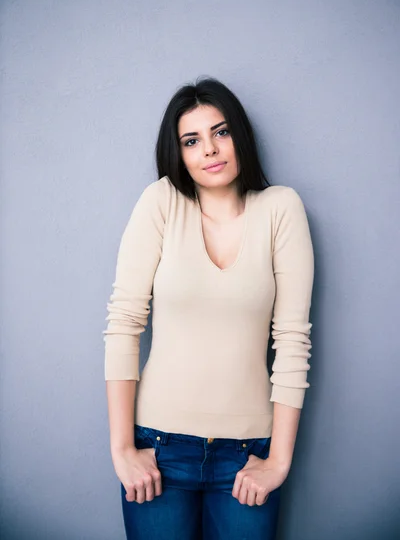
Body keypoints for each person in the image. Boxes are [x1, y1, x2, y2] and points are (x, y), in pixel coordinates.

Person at [103, 76, 315, 540]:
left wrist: (278, 460)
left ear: (239, 135)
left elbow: (293, 339)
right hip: (158, 450)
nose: (210, 150)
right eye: (192, 140)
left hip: (247, 456)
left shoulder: (281, 209)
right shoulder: (161, 202)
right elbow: (124, 324)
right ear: (178, 153)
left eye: (221, 132)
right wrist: (122, 448)